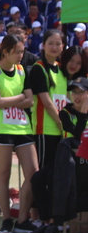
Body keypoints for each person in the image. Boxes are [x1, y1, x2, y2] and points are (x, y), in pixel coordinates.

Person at [0, 34, 38, 233]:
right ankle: (7, 220)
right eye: (17, 52)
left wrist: (10, 101)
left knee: (33, 173)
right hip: (1, 129)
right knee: (4, 173)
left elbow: (30, 100)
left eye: (22, 52)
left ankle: (22, 219)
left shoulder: (22, 71)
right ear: (5, 52)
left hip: (23, 128)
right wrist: (20, 97)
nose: (20, 56)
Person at [28, 76, 88, 233]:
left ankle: (57, 223)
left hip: (84, 163)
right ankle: (47, 222)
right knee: (38, 178)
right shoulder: (65, 112)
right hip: (67, 160)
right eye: (74, 92)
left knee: (54, 176)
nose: (77, 96)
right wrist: (83, 114)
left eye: (81, 92)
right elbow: (76, 132)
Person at [28, 29, 68, 169]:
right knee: (45, 171)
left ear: (63, 46)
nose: (54, 47)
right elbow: (46, 102)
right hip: (45, 130)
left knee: (59, 172)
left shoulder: (62, 69)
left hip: (61, 130)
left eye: (58, 44)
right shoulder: (39, 69)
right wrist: (61, 123)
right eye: (50, 43)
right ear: (43, 45)